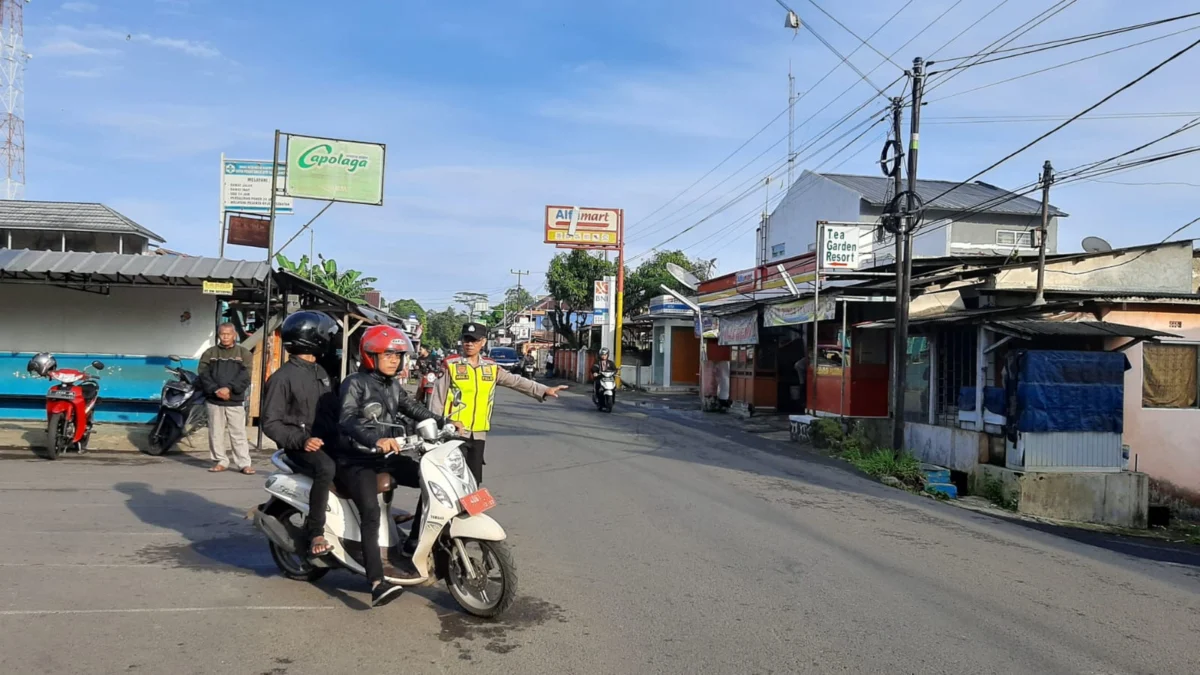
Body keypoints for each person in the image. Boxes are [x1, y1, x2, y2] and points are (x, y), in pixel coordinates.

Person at [335, 324, 459, 607]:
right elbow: (348, 419)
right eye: (388, 354)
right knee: (370, 513)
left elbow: (413, 409)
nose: (395, 360)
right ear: (371, 356)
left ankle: (415, 543)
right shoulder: (354, 383)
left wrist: (444, 423)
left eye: (399, 355)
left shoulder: (392, 385)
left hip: (384, 456)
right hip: (356, 459)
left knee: (428, 479)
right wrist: (375, 439)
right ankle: (377, 582)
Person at [428, 323, 567, 485]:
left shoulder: (491, 367)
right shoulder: (450, 365)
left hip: (478, 433)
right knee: (449, 478)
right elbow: (437, 400)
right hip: (453, 432)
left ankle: (468, 510)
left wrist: (544, 390)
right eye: (466, 339)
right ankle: (426, 511)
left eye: (474, 340)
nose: (469, 344)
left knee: (473, 480)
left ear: (483, 342)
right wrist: (436, 429)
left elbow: (516, 381)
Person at [261, 311, 340, 558]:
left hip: (326, 440)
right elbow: (270, 422)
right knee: (326, 468)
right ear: (313, 338)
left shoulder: (321, 372)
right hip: (299, 447)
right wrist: (302, 440)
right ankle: (316, 531)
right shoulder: (282, 378)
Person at [198, 323, 255, 474]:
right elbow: (203, 374)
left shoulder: (244, 353)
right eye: (222, 334)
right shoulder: (210, 353)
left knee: (238, 433)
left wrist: (229, 388)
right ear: (218, 335)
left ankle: (244, 463)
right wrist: (215, 390)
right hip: (214, 400)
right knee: (216, 433)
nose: (225, 337)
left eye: (228, 334)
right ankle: (220, 461)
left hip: (234, 400)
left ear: (234, 335)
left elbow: (246, 375)